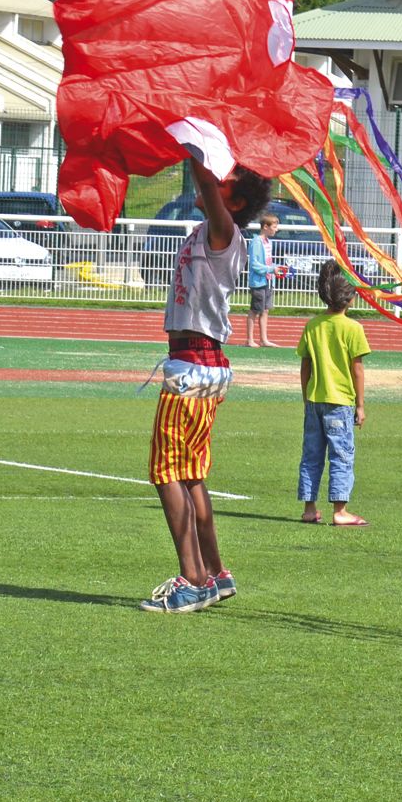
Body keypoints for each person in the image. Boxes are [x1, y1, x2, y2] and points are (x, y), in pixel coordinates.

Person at [142, 160, 274, 613]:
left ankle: (193, 579)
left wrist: (194, 145)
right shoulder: (211, 230)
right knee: (191, 475)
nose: (213, 180)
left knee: (165, 473)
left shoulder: (225, 232)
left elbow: (203, 179)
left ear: (233, 202)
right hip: (203, 364)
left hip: (192, 365)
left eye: (224, 183)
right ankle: (215, 574)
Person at [296, 261, 370, 527]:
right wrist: (360, 405)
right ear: (350, 298)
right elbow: (357, 369)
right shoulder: (353, 328)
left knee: (311, 454)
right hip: (339, 403)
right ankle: (340, 509)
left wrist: (306, 396)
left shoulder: (313, 325)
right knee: (340, 455)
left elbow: (305, 365)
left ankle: (309, 507)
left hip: (315, 399)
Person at [244, 212, 280, 347]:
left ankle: (264, 339)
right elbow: (255, 264)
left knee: (265, 310)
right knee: (255, 310)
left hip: (268, 281)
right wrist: (271, 269)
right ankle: (249, 339)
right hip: (259, 282)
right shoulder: (256, 242)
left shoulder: (268, 242)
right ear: (266, 226)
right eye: (274, 227)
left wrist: (277, 268)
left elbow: (268, 262)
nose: (276, 229)